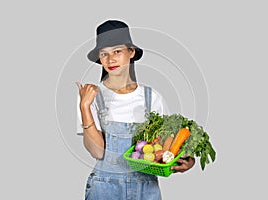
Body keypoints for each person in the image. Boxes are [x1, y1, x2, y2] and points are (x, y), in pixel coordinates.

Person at [76, 20, 195, 200]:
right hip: (104, 188)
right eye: (104, 54)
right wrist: (84, 106)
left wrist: (184, 160)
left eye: (117, 51)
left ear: (131, 52)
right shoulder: (91, 97)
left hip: (145, 189)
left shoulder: (151, 97)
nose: (110, 59)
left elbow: (164, 147)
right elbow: (97, 152)